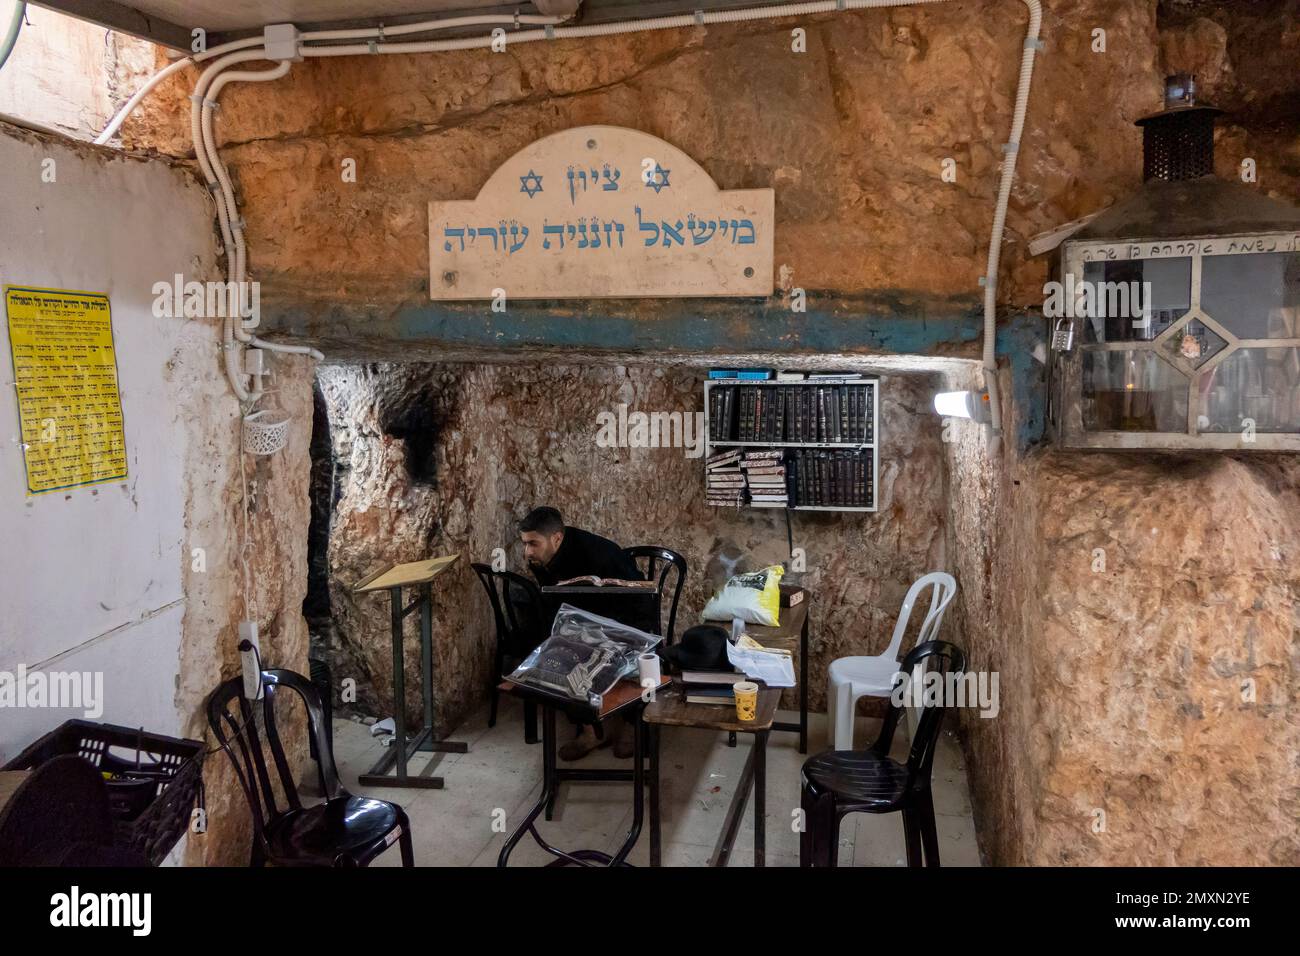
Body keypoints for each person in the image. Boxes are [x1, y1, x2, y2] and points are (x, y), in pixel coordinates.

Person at [518, 506, 654, 761]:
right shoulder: (541, 558)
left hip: (627, 621)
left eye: (533, 544)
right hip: (584, 623)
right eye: (525, 544)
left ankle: (631, 725)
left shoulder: (597, 554)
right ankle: (591, 731)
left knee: (636, 662)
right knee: (557, 658)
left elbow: (639, 602)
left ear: (556, 538)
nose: (527, 552)